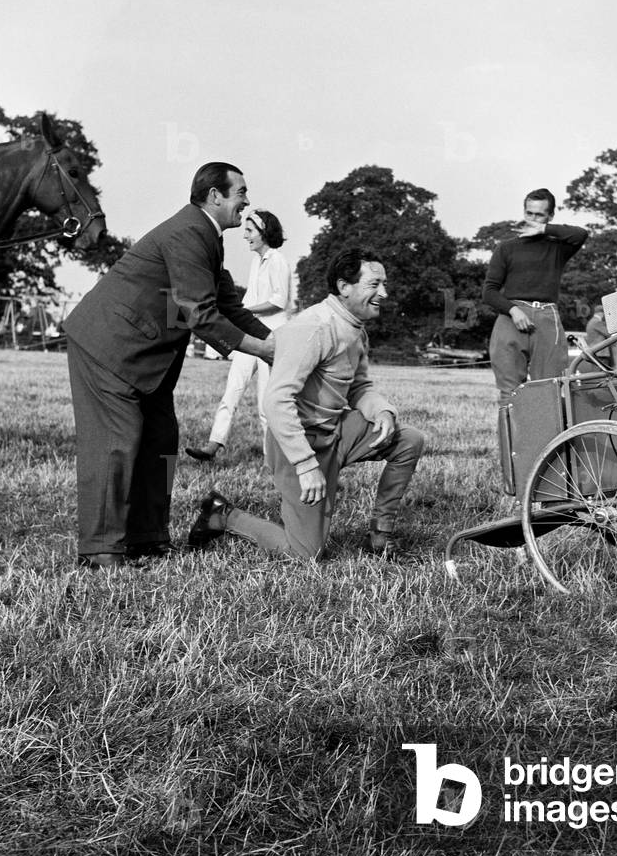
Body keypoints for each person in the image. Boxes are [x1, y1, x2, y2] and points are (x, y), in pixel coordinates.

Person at [64, 162, 275, 569]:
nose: (247, 202)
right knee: (116, 443)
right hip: (109, 348)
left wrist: (277, 342)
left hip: (145, 361)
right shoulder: (188, 233)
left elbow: (229, 307)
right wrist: (262, 351)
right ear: (215, 196)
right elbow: (201, 314)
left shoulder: (206, 238)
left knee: (161, 441)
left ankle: (147, 537)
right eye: (241, 192)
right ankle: (101, 549)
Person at [187, 248, 425, 560]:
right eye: (374, 285)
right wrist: (306, 464)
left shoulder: (354, 327)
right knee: (305, 553)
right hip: (298, 444)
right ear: (344, 287)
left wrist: (381, 409)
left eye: (383, 284)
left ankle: (380, 536)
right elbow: (276, 401)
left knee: (409, 440)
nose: (384, 293)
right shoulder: (314, 327)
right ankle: (222, 514)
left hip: (334, 432)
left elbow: (359, 386)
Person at [185, 208, 294, 461]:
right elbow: (248, 299)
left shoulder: (278, 260)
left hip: (273, 338)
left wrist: (242, 311)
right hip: (252, 334)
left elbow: (279, 301)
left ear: (264, 232)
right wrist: (237, 314)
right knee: (232, 389)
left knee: (266, 403)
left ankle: (272, 459)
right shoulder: (256, 261)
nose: (245, 236)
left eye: (250, 231)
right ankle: (213, 445)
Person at [482, 188, 588, 399]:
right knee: (510, 394)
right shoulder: (506, 248)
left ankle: (547, 433)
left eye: (539, 214)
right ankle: (511, 433)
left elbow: (581, 234)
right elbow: (489, 292)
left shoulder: (558, 248)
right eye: (529, 213)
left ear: (550, 216)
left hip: (547, 317)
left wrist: (544, 229)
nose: (533, 219)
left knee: (550, 390)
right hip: (510, 318)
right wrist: (513, 310)